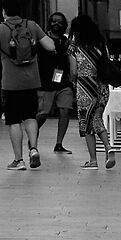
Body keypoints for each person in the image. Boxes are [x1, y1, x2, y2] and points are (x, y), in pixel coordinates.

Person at [0, 0, 56, 170]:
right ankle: (33, 149)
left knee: (14, 121)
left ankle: (18, 160)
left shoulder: (0, 29)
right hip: (31, 81)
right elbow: (50, 46)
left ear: (4, 12)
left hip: (11, 83)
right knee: (30, 117)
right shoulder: (31, 25)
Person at [70, 14, 117, 172]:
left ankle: (95, 158)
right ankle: (105, 149)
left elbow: (73, 71)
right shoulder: (101, 44)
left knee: (87, 123)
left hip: (85, 87)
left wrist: (73, 82)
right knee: (96, 117)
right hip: (102, 86)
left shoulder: (74, 46)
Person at [40, 12, 76, 154]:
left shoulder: (66, 42)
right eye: (54, 21)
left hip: (63, 82)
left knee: (65, 111)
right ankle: (32, 136)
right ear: (49, 23)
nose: (56, 24)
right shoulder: (42, 40)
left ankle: (59, 143)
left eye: (60, 22)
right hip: (45, 83)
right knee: (43, 114)